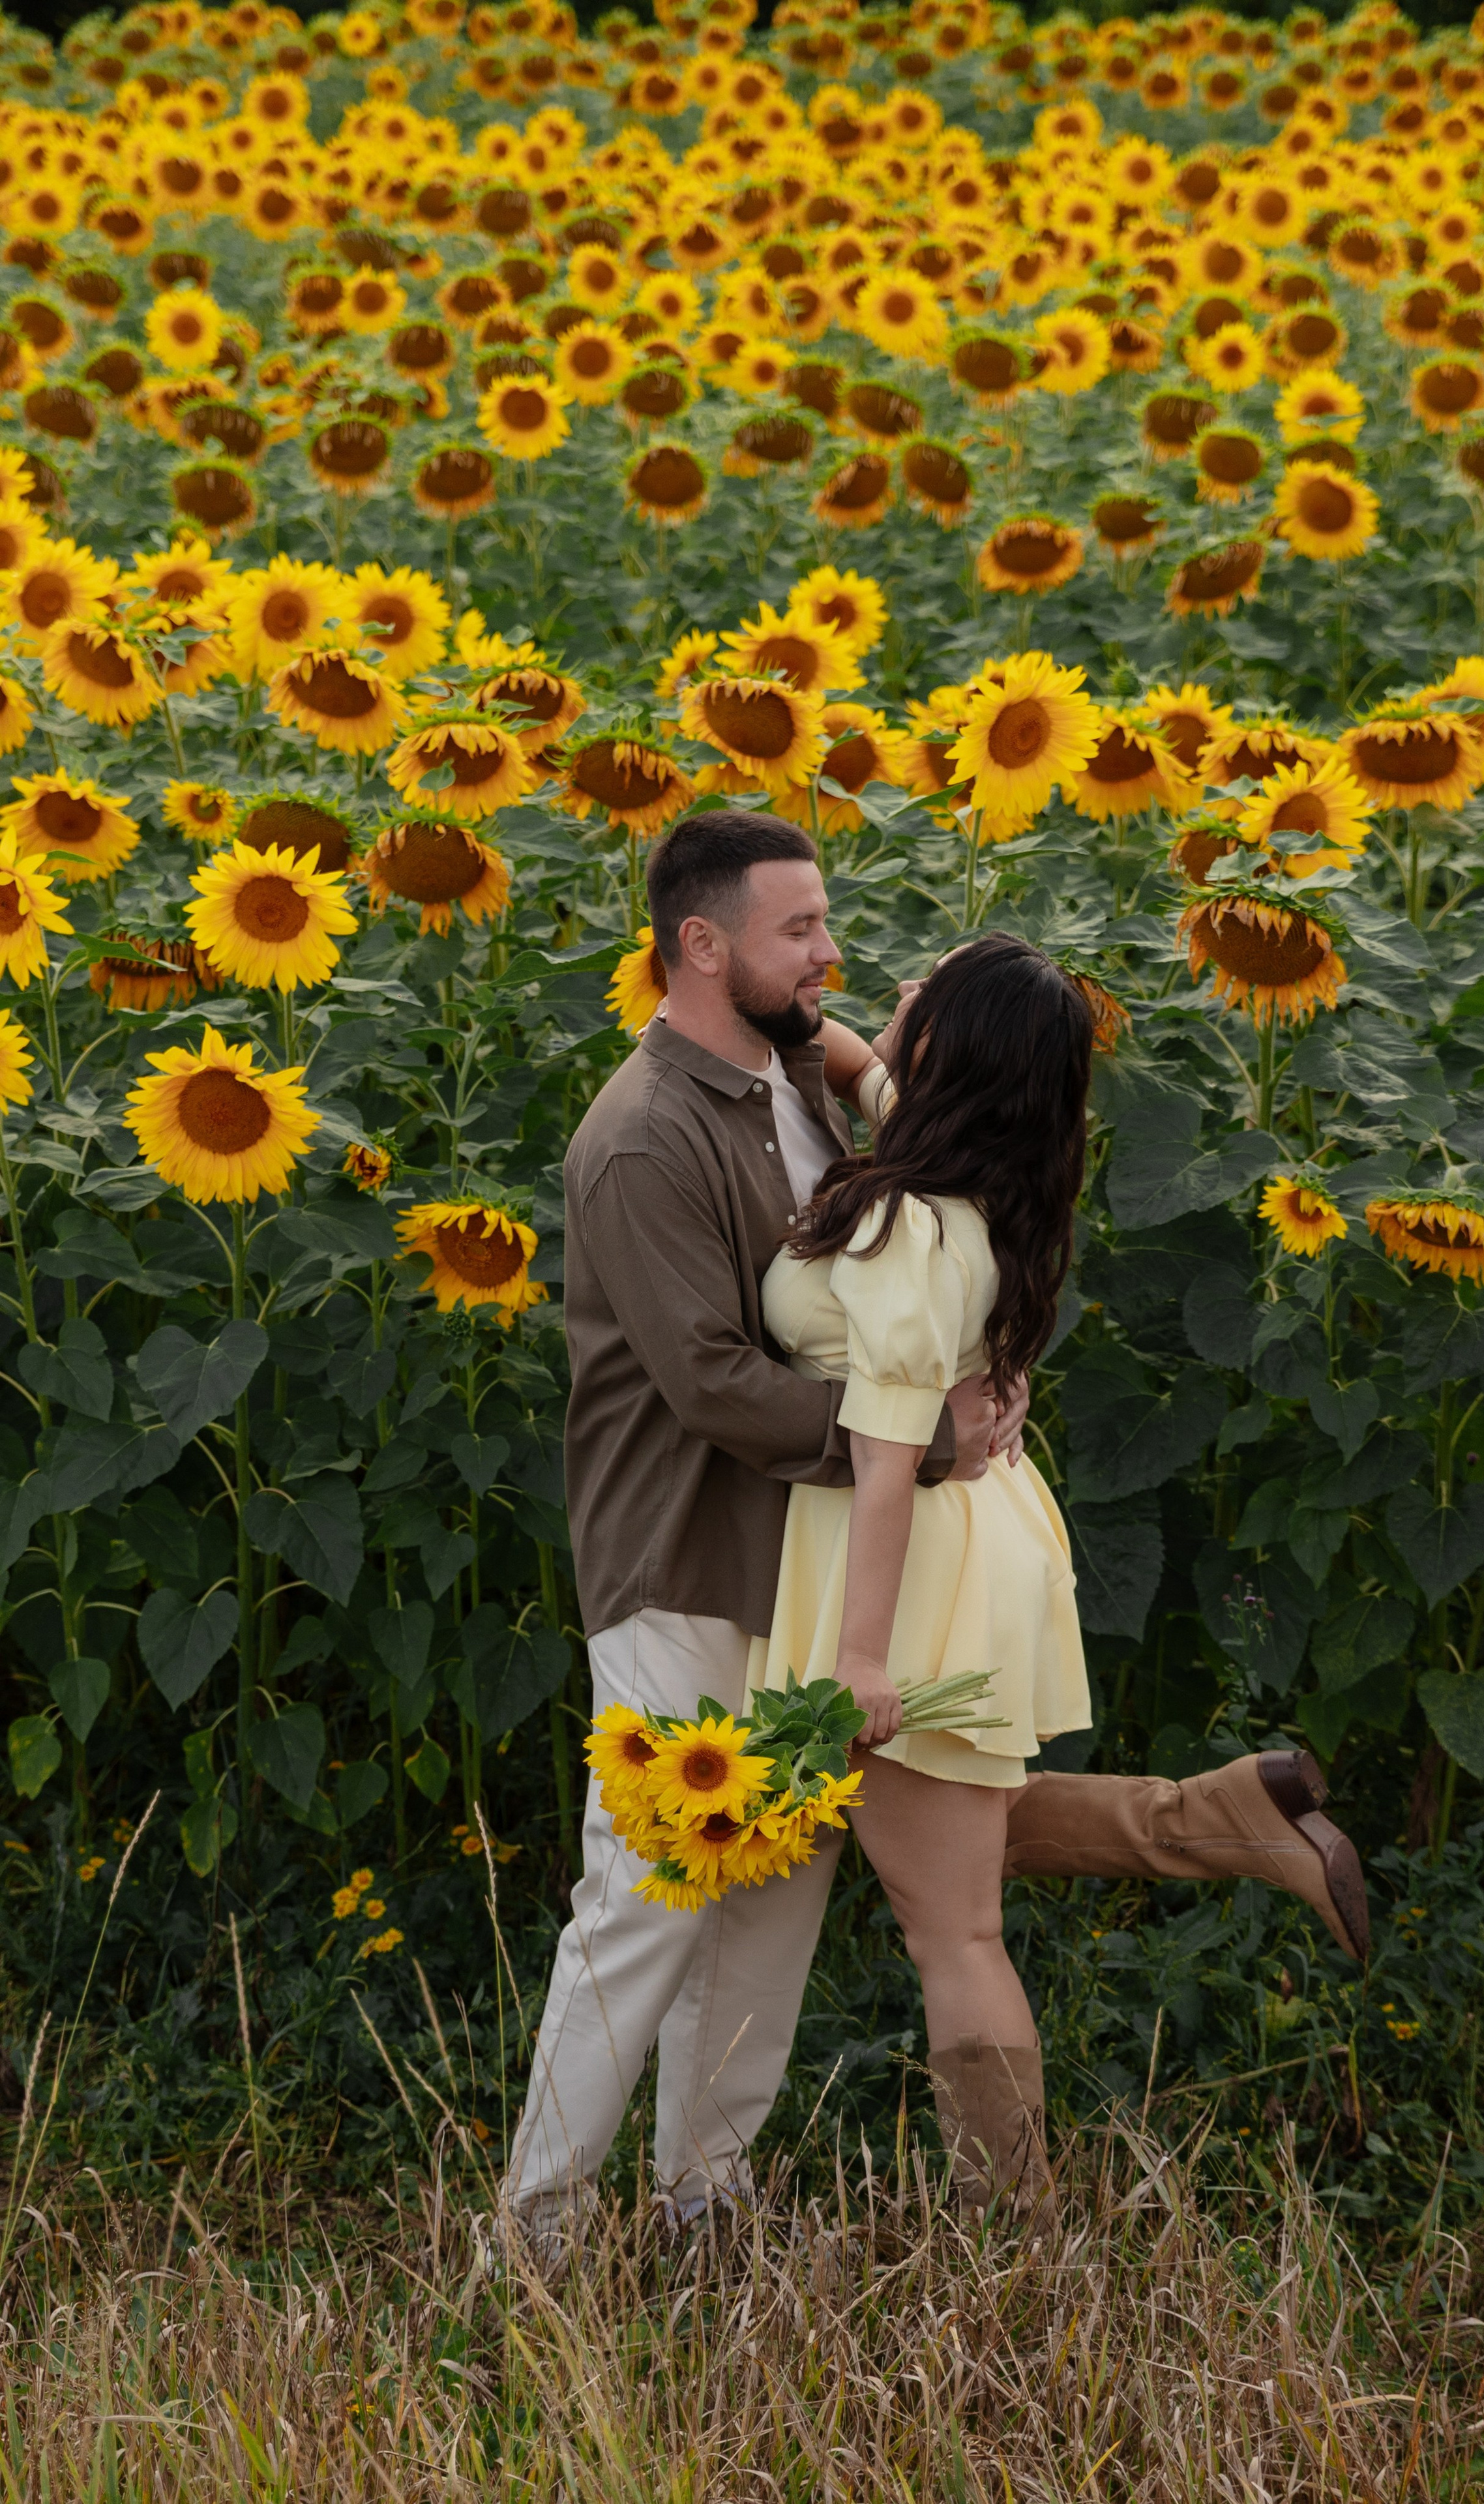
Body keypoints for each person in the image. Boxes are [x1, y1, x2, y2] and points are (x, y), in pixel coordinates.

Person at [752, 933, 1370, 2218]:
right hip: (976, 1539)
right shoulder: (978, 1176)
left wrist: (859, 1659)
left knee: (951, 1926)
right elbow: (862, 1060)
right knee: (951, 1838)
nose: (894, 1000)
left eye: (919, 996)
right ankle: (1230, 1820)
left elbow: (880, 1464)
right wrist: (793, 1005)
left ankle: (1012, 2229)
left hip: (910, 1558)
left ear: (956, 1058)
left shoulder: (912, 1225)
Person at [503, 809, 1016, 2264]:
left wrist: (858, 1050)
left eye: (825, 924)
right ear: (701, 947)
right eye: (799, 929)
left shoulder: (790, 1066)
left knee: (776, 1881)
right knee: (650, 1894)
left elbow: (859, 1068)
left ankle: (704, 2206)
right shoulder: (642, 1138)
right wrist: (916, 1451)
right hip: (677, 1552)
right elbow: (715, 1384)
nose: (829, 951)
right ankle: (531, 2233)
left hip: (794, 1552)